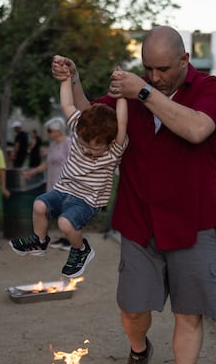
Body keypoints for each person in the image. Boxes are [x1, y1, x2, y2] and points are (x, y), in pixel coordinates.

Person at [51, 26, 216, 364]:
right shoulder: (132, 93)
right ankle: (139, 349)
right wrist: (75, 80)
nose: (155, 77)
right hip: (138, 221)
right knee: (132, 311)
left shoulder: (210, 89)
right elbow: (89, 117)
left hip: (193, 222)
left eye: (163, 69)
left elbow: (197, 130)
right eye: (148, 69)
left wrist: (143, 92)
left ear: (185, 60)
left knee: (189, 313)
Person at [10, 57, 128, 279]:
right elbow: (67, 104)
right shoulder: (79, 126)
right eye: (82, 145)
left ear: (110, 143)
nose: (86, 150)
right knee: (38, 205)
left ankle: (81, 249)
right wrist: (66, 77)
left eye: (93, 149)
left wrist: (121, 93)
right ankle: (39, 241)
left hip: (88, 201)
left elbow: (121, 123)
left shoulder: (115, 148)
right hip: (63, 190)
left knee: (65, 223)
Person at [22, 117, 72, 250]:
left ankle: (69, 240)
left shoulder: (68, 143)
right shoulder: (53, 144)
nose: (48, 133)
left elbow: (74, 163)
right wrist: (33, 172)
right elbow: (47, 163)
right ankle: (63, 238)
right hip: (52, 182)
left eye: (50, 131)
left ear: (58, 130)